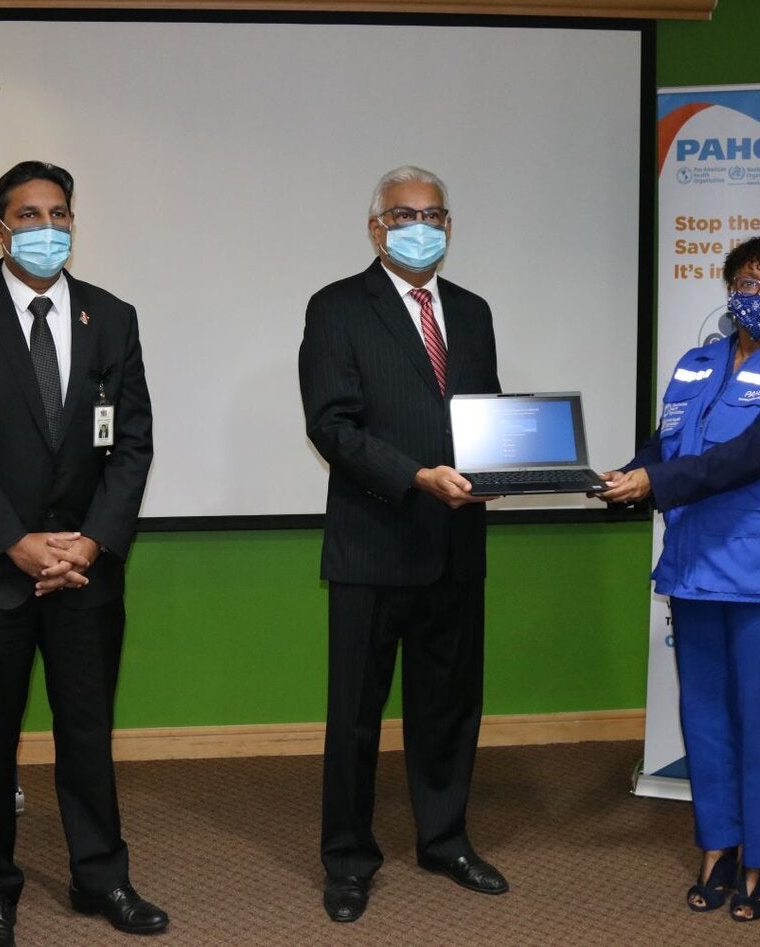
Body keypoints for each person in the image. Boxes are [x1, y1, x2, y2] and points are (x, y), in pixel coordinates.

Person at [0, 161, 165, 946]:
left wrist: (88, 541)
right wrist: (17, 543)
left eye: (59, 213)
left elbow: (131, 445)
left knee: (87, 730)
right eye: (28, 214)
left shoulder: (111, 317)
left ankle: (103, 877)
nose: (47, 227)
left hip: (85, 571)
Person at [597, 235, 760, 923]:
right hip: (694, 567)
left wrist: (660, 479)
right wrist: (628, 477)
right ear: (727, 286)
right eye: (747, 279)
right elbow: (663, 447)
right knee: (702, 714)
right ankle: (718, 847)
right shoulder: (694, 364)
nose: (759, 294)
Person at [298, 165, 508, 923]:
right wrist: (415, 476)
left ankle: (444, 837)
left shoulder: (475, 311)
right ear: (375, 225)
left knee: (449, 704)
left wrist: (504, 469)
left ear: (448, 226)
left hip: (457, 540)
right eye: (404, 213)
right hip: (374, 539)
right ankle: (348, 858)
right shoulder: (337, 307)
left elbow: (485, 418)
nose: (421, 225)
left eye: (435, 214)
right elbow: (332, 424)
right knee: (356, 712)